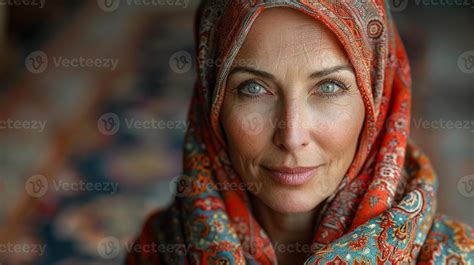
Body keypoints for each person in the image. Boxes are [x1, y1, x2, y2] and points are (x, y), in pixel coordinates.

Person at [126, 1, 474, 264]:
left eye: (328, 87)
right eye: (253, 88)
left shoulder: (452, 256)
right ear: (211, 101)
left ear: (378, 103)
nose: (291, 135)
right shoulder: (159, 249)